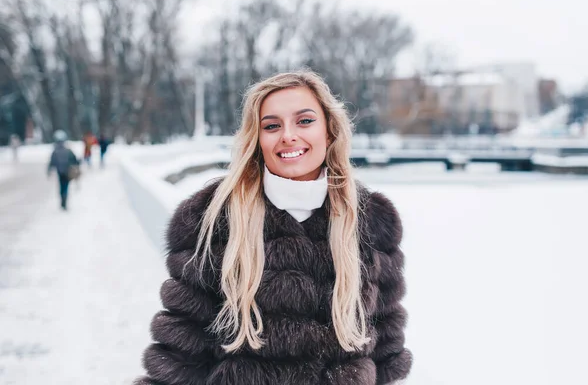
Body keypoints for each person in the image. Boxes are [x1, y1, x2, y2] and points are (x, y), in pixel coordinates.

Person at [134, 70, 412, 385]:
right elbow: (179, 360)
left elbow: (386, 357)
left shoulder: (371, 220)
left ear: (330, 131)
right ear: (257, 138)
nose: (288, 135)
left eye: (305, 121)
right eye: (272, 126)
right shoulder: (213, 217)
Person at [48, 130, 80, 210]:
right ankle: (64, 200)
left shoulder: (55, 151)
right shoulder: (68, 150)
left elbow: (52, 162)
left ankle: (63, 199)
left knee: (61, 186)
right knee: (65, 187)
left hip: (60, 172)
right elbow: (74, 160)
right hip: (67, 172)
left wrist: (49, 170)